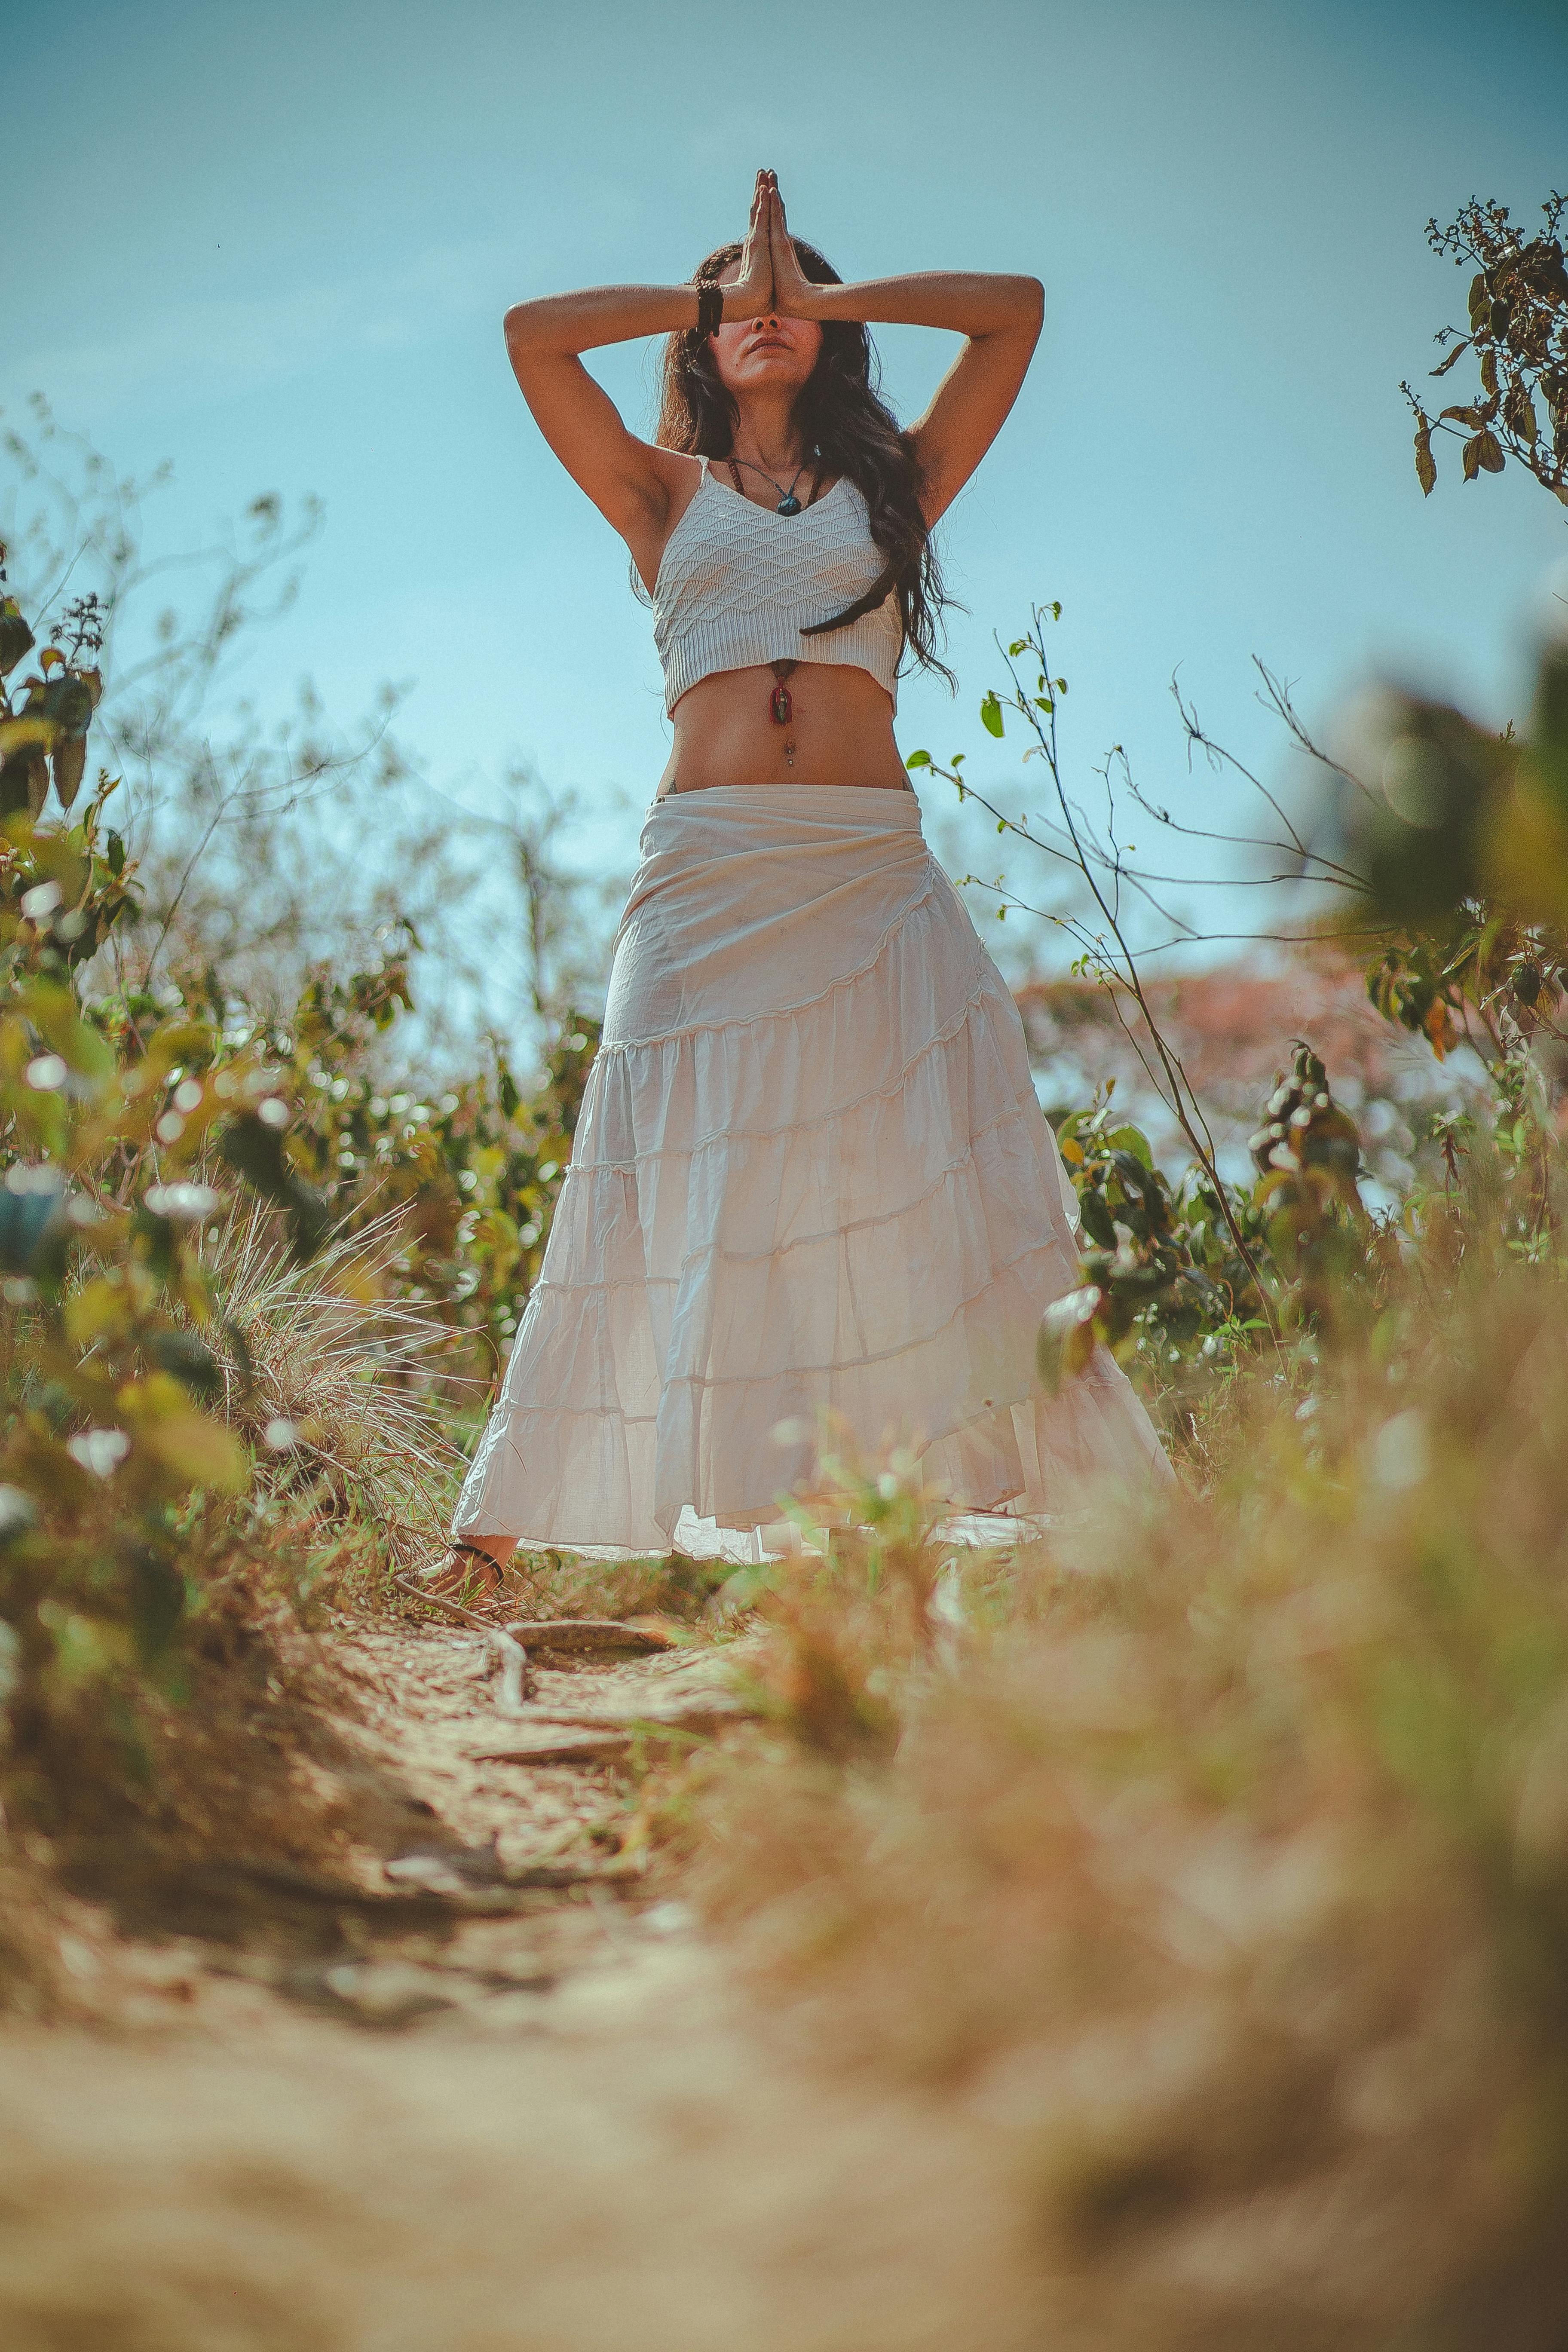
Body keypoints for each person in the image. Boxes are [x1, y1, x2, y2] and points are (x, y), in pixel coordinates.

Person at [430, 170, 1170, 1605]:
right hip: (706, 872)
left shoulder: (891, 486)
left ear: (828, 337)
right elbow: (531, 335)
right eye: (737, 310)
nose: (764, 319)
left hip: (865, 867)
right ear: (702, 343)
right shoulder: (659, 490)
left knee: (938, 1167)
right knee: (643, 1172)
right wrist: (726, 291)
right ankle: (493, 1539)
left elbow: (1014, 317)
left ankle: (1072, 1518)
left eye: (789, 307)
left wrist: (815, 294)